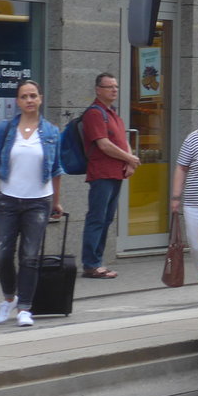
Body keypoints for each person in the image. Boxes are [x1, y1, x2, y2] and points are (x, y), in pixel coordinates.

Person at [0, 79, 65, 327]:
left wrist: (56, 202)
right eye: (24, 96)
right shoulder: (5, 129)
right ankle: (9, 298)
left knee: (29, 256)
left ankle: (25, 308)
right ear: (17, 101)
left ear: (41, 99)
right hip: (7, 199)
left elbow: (57, 170)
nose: (29, 100)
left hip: (39, 202)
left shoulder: (51, 132)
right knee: (2, 254)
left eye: (33, 96)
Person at [81, 73, 140, 278]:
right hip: (101, 173)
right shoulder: (95, 114)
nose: (114, 90)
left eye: (116, 86)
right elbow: (104, 145)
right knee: (97, 218)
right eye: (109, 87)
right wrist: (130, 159)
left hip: (116, 173)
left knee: (106, 219)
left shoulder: (113, 113)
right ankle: (91, 264)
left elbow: (123, 140)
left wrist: (130, 159)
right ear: (98, 90)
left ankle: (97, 261)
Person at [171, 101, 198, 258]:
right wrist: (175, 197)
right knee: (196, 247)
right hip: (194, 204)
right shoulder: (193, 139)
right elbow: (181, 167)